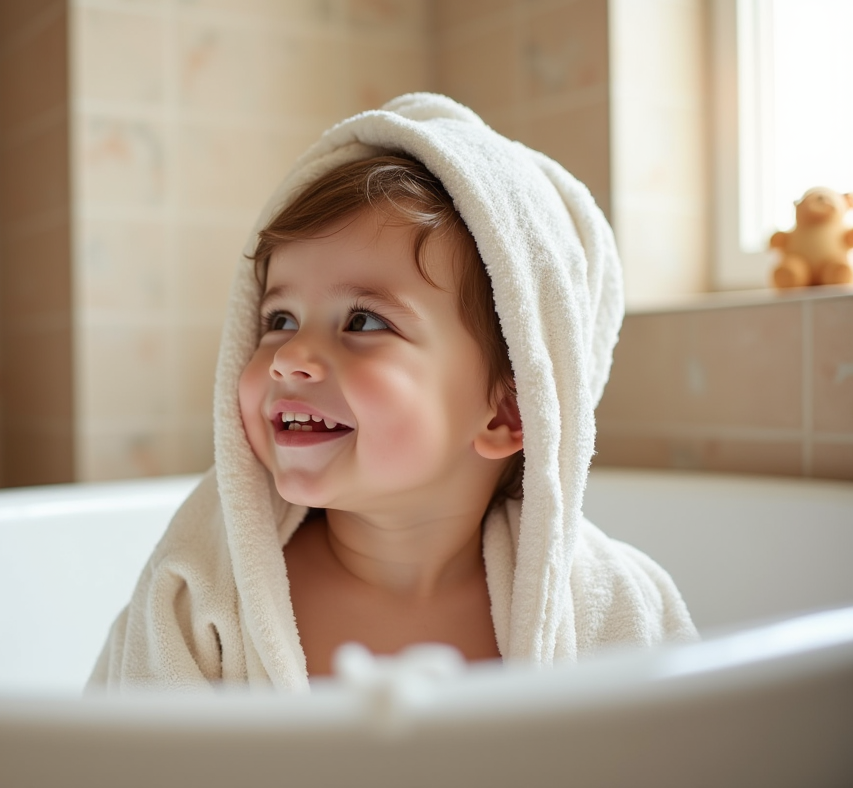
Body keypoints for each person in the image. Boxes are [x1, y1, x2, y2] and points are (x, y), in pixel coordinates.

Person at [90, 93, 696, 692]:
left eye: (364, 322)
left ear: (511, 409)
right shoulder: (199, 591)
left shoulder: (616, 610)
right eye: (279, 320)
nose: (291, 359)